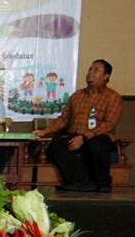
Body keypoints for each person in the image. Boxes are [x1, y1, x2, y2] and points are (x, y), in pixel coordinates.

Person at [33, 59, 123, 192]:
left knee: (95, 144)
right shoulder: (77, 96)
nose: (90, 72)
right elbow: (64, 119)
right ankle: (82, 182)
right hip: (74, 136)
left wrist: (84, 137)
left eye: (96, 70)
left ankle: (103, 183)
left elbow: (110, 124)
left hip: (98, 137)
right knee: (54, 146)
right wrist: (45, 131)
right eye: (90, 69)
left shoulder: (113, 97)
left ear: (106, 76)